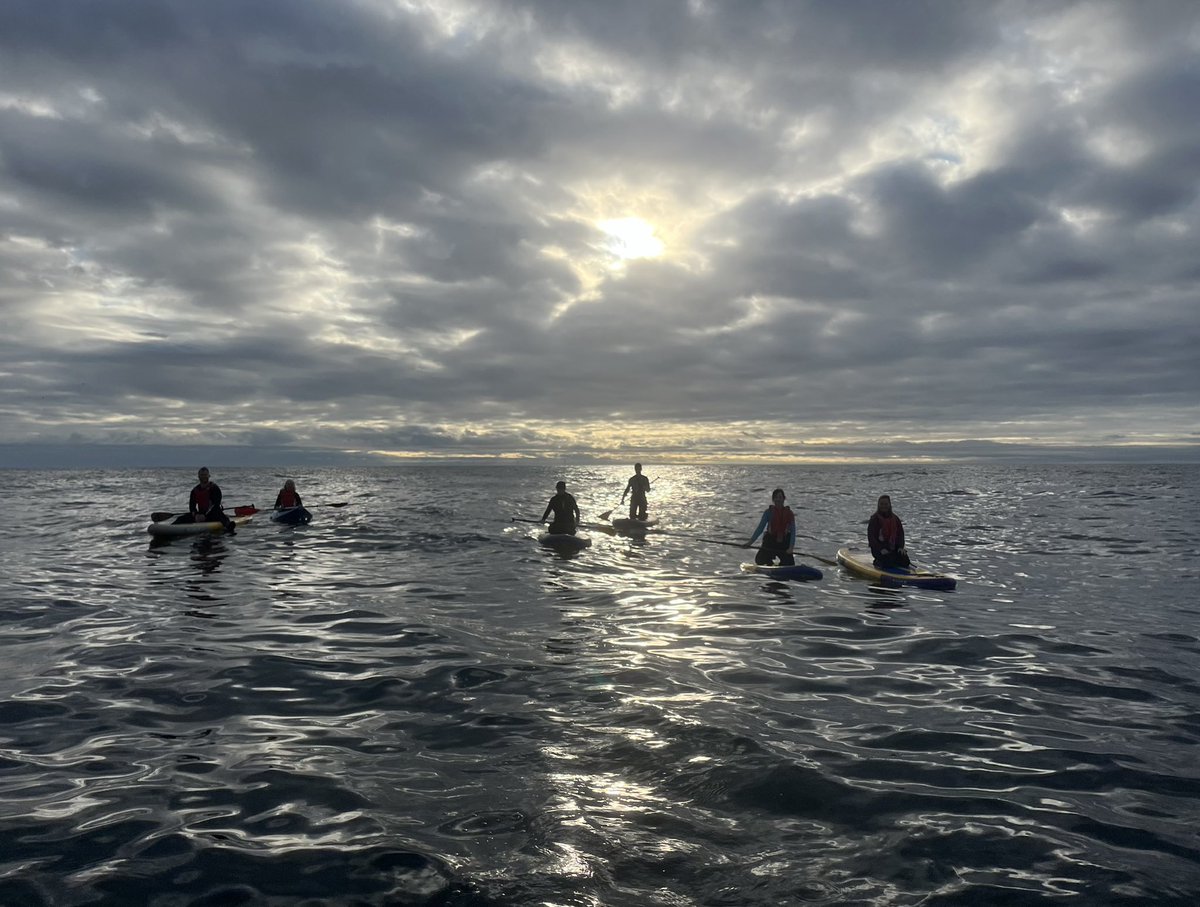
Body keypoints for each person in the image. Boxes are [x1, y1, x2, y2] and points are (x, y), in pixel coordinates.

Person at [744, 488, 795, 566]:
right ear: (773, 500)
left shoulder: (790, 514)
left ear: (784, 499)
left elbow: (793, 532)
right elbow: (760, 529)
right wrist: (749, 543)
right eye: (776, 497)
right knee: (760, 560)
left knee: (790, 563)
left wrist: (791, 548)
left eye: (780, 497)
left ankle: (782, 565)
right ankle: (770, 564)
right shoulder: (768, 512)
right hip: (771, 541)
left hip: (784, 543)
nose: (778, 499)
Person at [868, 494, 911, 568]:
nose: (883, 506)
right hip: (879, 549)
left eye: (886, 504)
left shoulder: (895, 519)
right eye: (881, 504)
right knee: (888, 562)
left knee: (905, 561)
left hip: (893, 547)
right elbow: (871, 537)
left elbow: (900, 534)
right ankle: (877, 562)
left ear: (889, 505)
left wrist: (900, 547)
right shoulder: (874, 519)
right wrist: (880, 549)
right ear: (878, 505)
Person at [189, 466, 236, 534]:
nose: (204, 477)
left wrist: (205, 516)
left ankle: (228, 527)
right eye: (202, 475)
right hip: (200, 514)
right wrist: (196, 515)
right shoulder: (195, 491)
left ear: (209, 476)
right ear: (198, 476)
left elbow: (216, 504)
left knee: (219, 515)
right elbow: (192, 506)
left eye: (205, 475)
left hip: (213, 513)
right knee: (182, 518)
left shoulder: (214, 488)